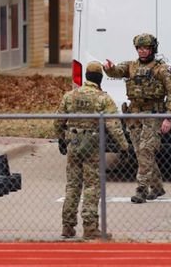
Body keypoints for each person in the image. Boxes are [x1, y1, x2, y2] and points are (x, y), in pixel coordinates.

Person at [55, 61, 129, 240]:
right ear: (100, 78)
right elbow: (114, 125)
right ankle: (90, 227)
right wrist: (123, 146)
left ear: (87, 76)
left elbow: (58, 120)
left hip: (73, 142)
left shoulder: (70, 95)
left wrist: (61, 139)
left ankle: (67, 226)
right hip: (92, 145)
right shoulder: (102, 98)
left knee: (72, 185)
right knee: (92, 186)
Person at [104, 33, 171, 204]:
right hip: (134, 116)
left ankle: (141, 190)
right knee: (140, 153)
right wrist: (108, 67)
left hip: (153, 115)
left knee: (145, 150)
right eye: (139, 48)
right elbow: (116, 71)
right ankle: (157, 187)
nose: (142, 51)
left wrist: (169, 118)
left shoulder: (162, 69)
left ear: (153, 49)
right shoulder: (131, 66)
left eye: (146, 48)